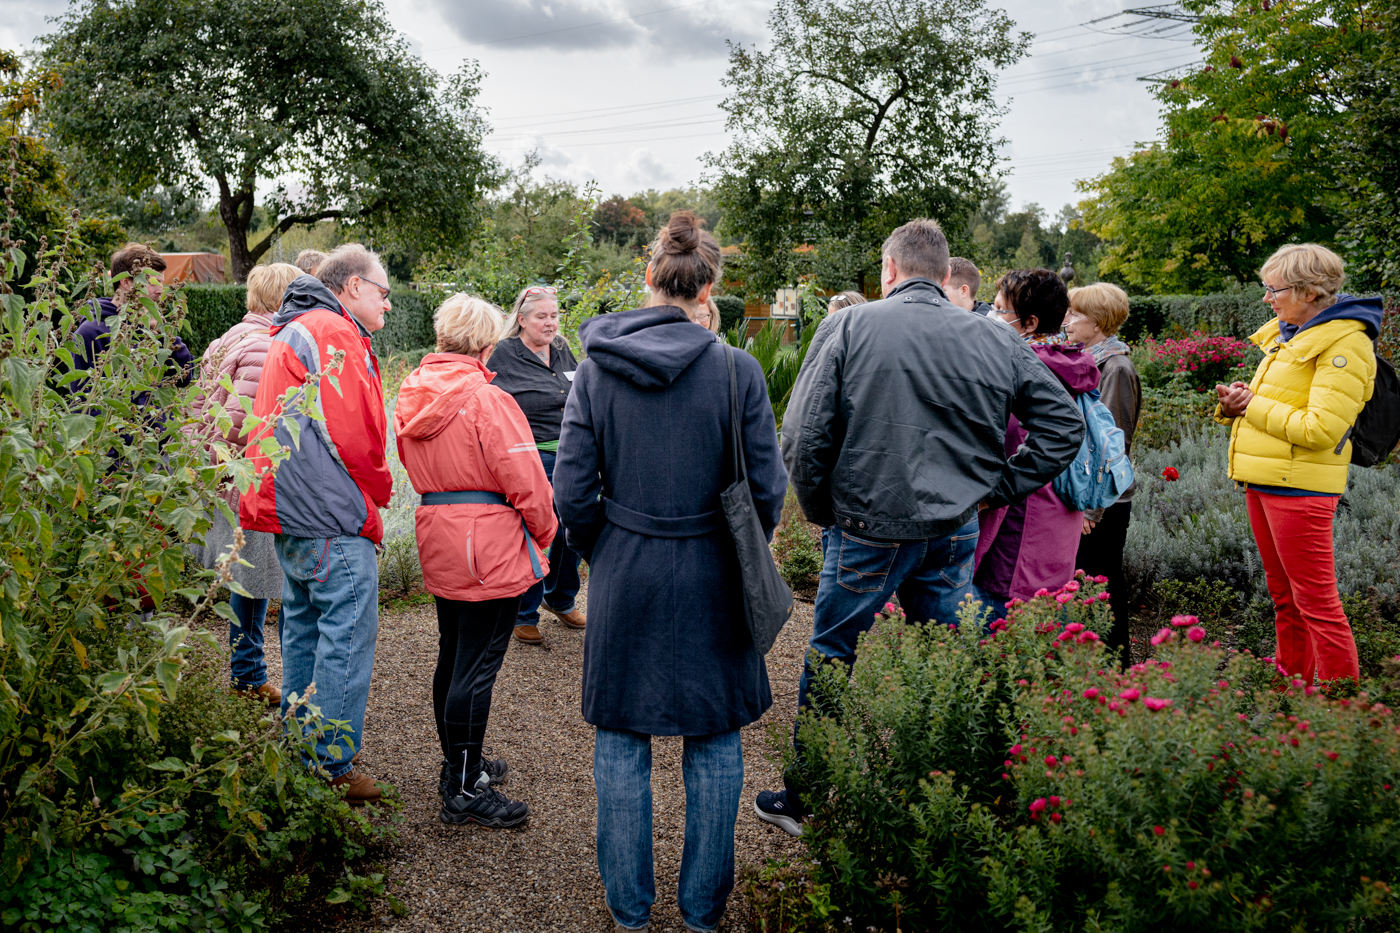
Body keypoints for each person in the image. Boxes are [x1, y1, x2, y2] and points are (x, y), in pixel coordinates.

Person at [762, 223, 1085, 836]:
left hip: (867, 523)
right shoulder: (994, 338)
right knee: (949, 652)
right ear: (943, 275)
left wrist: (820, 509)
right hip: (953, 525)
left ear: (889, 269)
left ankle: (806, 798)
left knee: (834, 651)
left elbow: (802, 437)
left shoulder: (849, 326)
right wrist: (995, 489)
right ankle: (953, 784)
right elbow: (1063, 428)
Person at [552, 212, 787, 933]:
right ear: (708, 286)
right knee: (715, 739)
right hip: (715, 566)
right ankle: (701, 915)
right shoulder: (736, 369)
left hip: (628, 567)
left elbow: (569, 492)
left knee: (621, 738)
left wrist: (607, 546)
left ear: (647, 278)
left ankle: (629, 914)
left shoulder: (593, 370)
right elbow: (768, 486)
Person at [240, 243, 394, 805]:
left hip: (292, 508)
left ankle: (299, 746)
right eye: (383, 291)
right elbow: (354, 432)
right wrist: (379, 491)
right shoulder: (331, 330)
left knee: (304, 628)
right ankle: (329, 762)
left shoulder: (294, 326)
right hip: (328, 510)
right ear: (353, 286)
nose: (387, 304)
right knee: (347, 634)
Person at [394, 293, 556, 828]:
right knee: (478, 666)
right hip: (488, 541)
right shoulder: (488, 399)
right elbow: (527, 480)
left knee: (453, 652)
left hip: (439, 531)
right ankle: (465, 786)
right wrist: (544, 531)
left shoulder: (413, 391)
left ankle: (458, 763)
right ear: (488, 345)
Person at [1215, 244, 1380, 685]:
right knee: (1286, 601)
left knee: (1317, 606)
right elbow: (1281, 406)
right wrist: (1237, 406)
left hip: (1300, 489)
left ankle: (1337, 716)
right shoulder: (1296, 334)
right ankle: (1290, 694)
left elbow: (1321, 429)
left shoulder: (1345, 344)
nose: (1267, 298)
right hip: (1267, 481)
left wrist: (1251, 406)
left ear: (1308, 291)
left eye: (1275, 289)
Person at [190, 261, 300, 704]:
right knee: (250, 581)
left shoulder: (228, 337)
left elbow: (199, 405)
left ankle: (247, 673)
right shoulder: (264, 346)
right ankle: (248, 676)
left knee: (243, 578)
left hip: (215, 475)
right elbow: (245, 423)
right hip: (244, 478)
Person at [973, 269, 1099, 611]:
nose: (991, 317)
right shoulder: (1068, 361)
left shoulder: (1028, 373)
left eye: (1000, 311)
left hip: (1019, 529)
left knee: (1001, 637)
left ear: (1029, 323)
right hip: (1054, 526)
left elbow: (1005, 441)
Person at [489, 285, 587, 644]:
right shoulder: (503, 354)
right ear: (522, 319)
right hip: (529, 456)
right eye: (541, 316)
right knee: (535, 532)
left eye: (554, 315)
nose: (550, 323)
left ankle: (560, 598)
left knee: (573, 525)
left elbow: (579, 390)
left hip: (573, 454)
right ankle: (524, 612)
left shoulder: (561, 348)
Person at [1064, 283, 1141, 665]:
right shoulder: (1087, 361)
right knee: (1085, 584)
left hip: (1105, 502)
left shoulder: (1116, 368)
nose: (1066, 321)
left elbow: (1111, 444)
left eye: (1075, 314)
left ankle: (1117, 668)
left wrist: (1093, 509)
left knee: (1104, 584)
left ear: (1097, 322)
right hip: (1088, 496)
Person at [72, 243, 194, 393]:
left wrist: (163, 334)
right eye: (152, 282)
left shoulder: (150, 325)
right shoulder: (90, 332)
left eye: (161, 282)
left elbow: (185, 377)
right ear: (126, 282)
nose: (160, 291)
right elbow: (82, 399)